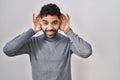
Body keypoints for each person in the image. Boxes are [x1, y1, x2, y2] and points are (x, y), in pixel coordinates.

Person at [3, 3, 92, 80]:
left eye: (54, 22)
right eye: (45, 23)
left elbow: (86, 52)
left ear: (60, 22)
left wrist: (68, 30)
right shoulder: (33, 43)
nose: (50, 28)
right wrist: (32, 31)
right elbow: (8, 50)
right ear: (40, 22)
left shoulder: (67, 42)